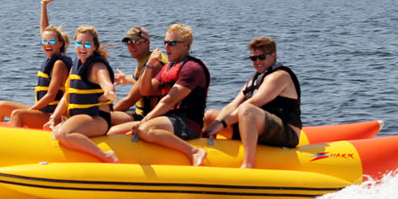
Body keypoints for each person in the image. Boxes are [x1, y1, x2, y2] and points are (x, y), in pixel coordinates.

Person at [202, 36, 302, 169]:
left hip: (287, 133)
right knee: (210, 116)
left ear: (273, 56)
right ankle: (206, 155)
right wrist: (216, 123)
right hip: (261, 127)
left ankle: (249, 164)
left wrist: (223, 124)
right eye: (253, 58)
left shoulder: (280, 76)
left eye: (262, 57)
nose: (257, 62)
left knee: (247, 110)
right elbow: (233, 105)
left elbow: (254, 103)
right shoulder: (255, 79)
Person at [0, 0, 71, 128]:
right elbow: (44, 30)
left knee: (18, 114)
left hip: (55, 116)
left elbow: (51, 96)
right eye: (44, 41)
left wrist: (30, 111)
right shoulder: (51, 57)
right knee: (1, 106)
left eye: (51, 41)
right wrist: (43, 5)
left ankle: (12, 145)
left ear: (60, 44)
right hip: (43, 112)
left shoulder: (59, 64)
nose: (47, 44)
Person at [133, 24, 210, 166]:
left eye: (172, 43)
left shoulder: (192, 68)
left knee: (146, 129)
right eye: (165, 43)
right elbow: (145, 91)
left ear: (185, 46)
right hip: (168, 120)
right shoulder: (167, 68)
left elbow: (169, 101)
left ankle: (194, 151)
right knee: (116, 130)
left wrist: (145, 121)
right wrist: (149, 66)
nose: (166, 47)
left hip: (187, 123)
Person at [45, 26, 119, 163]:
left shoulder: (97, 66)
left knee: (64, 133)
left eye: (87, 44)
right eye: (79, 43)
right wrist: (54, 117)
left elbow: (106, 82)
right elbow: (68, 94)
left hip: (98, 119)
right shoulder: (76, 66)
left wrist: (109, 91)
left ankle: (106, 156)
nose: (82, 48)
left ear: (94, 46)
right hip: (82, 118)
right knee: (57, 131)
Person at [108, 27, 167, 134]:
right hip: (143, 114)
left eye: (136, 41)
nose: (131, 45)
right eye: (128, 42)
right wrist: (126, 79)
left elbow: (130, 100)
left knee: (105, 116)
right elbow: (141, 80)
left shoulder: (153, 66)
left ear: (147, 43)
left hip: (148, 118)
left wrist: (106, 112)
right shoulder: (149, 60)